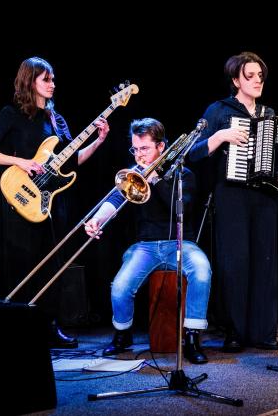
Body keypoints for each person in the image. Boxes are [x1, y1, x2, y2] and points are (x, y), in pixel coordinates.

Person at [0, 56, 109, 348]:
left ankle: (50, 326)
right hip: (20, 198)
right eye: (46, 79)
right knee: (22, 263)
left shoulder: (56, 118)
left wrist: (98, 141)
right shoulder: (10, 114)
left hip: (51, 202)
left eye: (53, 79)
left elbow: (73, 160)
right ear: (30, 82)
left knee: (52, 266)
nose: (53, 84)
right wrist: (23, 162)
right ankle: (18, 326)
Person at [85, 118, 212, 364]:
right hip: (145, 246)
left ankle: (192, 337)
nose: (139, 155)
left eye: (145, 149)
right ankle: (123, 334)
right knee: (120, 287)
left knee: (202, 271)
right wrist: (96, 220)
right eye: (135, 149)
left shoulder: (182, 173)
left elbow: (181, 209)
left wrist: (155, 179)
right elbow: (113, 201)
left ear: (161, 147)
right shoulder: (132, 175)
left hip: (179, 243)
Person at [188, 52, 278, 352]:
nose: (257, 81)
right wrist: (223, 136)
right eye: (250, 76)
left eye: (260, 76)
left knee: (264, 263)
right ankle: (235, 331)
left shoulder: (269, 114)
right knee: (235, 263)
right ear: (235, 81)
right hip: (231, 195)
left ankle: (263, 332)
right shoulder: (219, 110)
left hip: (264, 195)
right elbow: (193, 152)